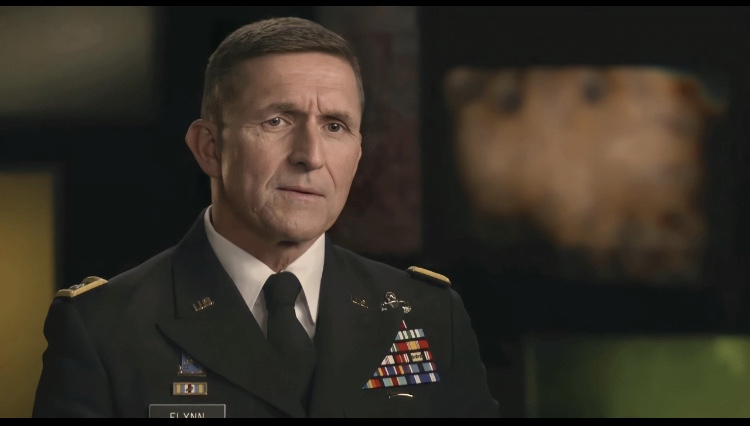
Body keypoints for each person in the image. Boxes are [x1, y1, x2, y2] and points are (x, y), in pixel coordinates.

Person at [32, 16, 500, 418]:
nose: (310, 155)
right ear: (209, 148)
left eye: (335, 126)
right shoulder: (104, 329)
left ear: (358, 154)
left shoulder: (429, 314)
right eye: (277, 121)